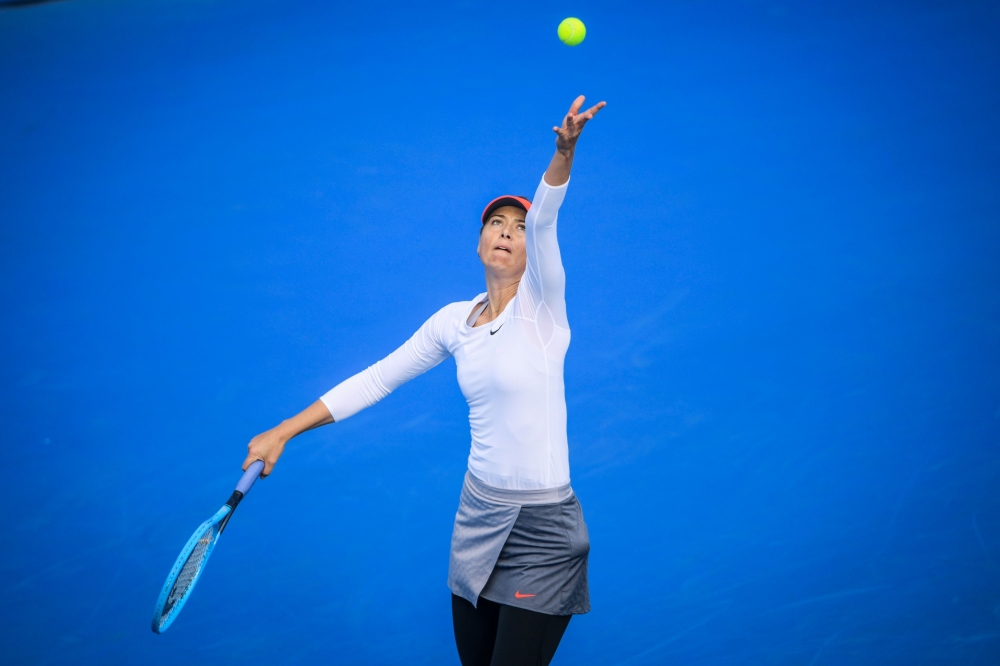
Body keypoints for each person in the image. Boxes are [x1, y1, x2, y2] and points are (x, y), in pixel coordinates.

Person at [243, 95, 606, 666]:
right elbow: (377, 379)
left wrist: (563, 153)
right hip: (477, 518)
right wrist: (284, 430)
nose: (508, 232)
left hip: (543, 530)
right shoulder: (451, 322)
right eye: (495, 224)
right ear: (480, 242)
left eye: (518, 226)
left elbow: (547, 215)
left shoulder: (544, 310)